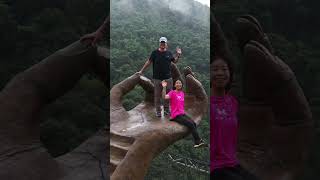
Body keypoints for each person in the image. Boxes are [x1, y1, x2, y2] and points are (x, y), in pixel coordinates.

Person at [211, 56, 259, 180]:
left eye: (224, 69)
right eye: (215, 69)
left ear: (230, 74)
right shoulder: (207, 102)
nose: (220, 73)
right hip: (214, 168)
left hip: (232, 163)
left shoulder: (232, 102)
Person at [138, 37, 182, 117]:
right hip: (157, 78)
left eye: (164, 43)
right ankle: (158, 111)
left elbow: (175, 61)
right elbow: (149, 62)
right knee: (157, 95)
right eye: (161, 43)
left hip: (168, 78)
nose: (162, 44)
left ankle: (166, 110)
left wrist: (178, 55)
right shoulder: (155, 53)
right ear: (159, 43)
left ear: (166, 44)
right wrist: (141, 71)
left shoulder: (169, 53)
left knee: (168, 95)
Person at [162, 79, 205, 148]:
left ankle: (198, 140)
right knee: (191, 124)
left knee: (193, 123)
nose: (179, 84)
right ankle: (197, 142)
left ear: (181, 85)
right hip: (176, 115)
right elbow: (164, 97)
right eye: (177, 83)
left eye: (180, 83)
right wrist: (164, 87)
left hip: (182, 114)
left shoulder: (182, 93)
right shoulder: (172, 92)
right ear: (175, 85)